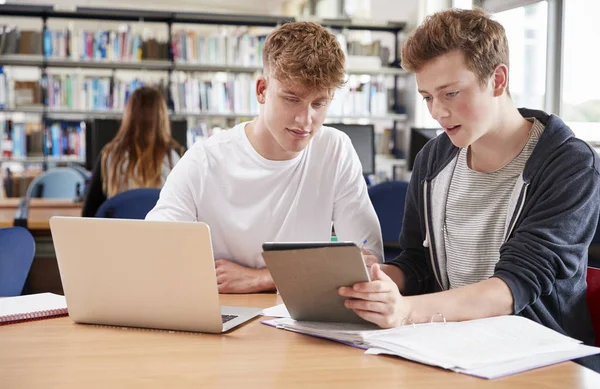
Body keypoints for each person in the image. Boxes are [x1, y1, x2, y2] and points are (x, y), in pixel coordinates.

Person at [339, 8, 600, 371]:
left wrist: (407, 311)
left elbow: (514, 287)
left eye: (450, 93)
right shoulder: (434, 157)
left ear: (497, 80)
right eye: (428, 96)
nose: (437, 112)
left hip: (538, 360)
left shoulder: (569, 165)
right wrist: (382, 282)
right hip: (447, 349)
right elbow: (417, 261)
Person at [146, 21, 384, 293]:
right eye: (291, 99)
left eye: (319, 103)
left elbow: (369, 263)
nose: (305, 120)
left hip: (300, 316)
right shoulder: (205, 159)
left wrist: (262, 277)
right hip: (222, 311)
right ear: (261, 90)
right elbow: (156, 257)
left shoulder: (335, 150)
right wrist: (314, 269)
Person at [82, 86, 183, 217]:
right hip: (160, 236)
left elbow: (88, 215)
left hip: (116, 236)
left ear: (128, 116)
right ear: (162, 118)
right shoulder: (174, 160)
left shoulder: (109, 157)